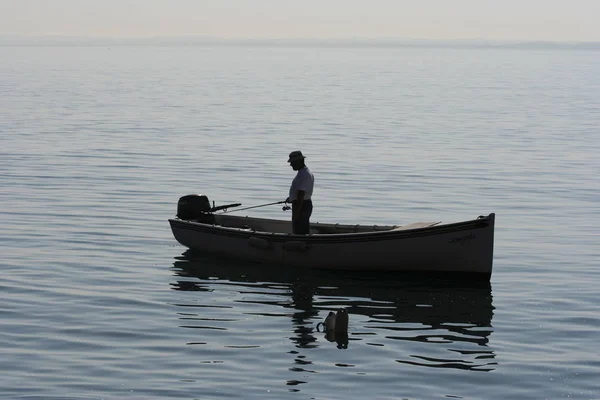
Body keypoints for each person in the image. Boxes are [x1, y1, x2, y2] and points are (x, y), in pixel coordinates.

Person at [286, 150, 314, 234]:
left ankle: (301, 244)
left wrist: (297, 213)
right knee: (300, 229)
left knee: (300, 230)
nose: (291, 165)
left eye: (292, 162)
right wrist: (291, 198)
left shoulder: (304, 174)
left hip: (302, 206)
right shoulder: (303, 173)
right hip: (302, 204)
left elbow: (301, 194)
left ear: (299, 161)